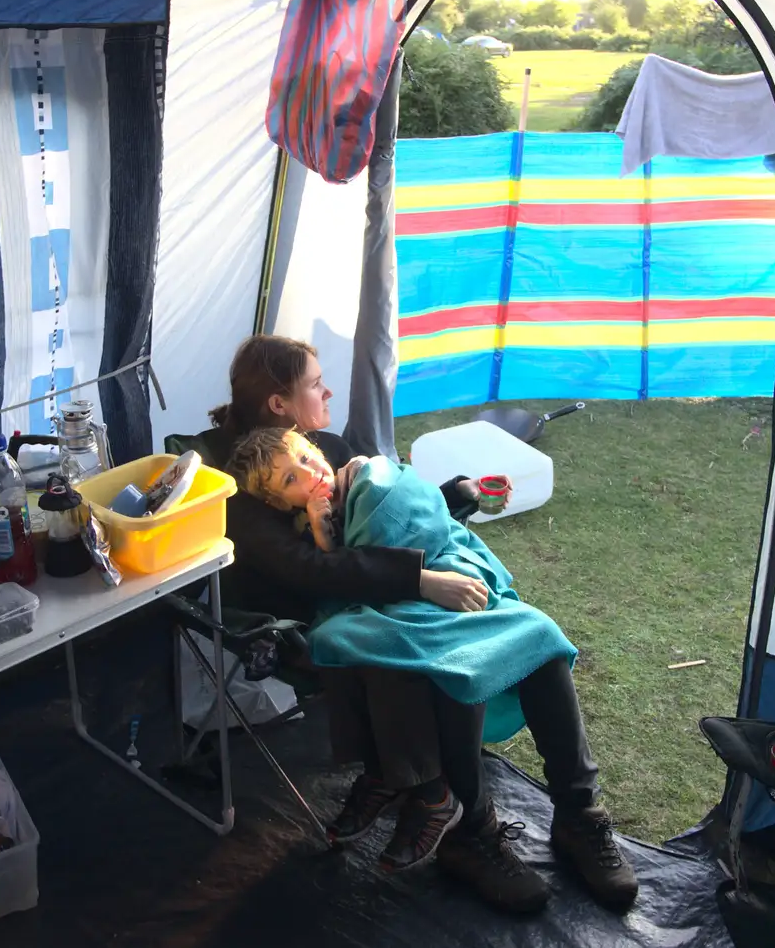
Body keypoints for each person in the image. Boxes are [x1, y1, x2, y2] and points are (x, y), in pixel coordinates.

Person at [202, 335, 637, 914]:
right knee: (450, 661)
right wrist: (422, 582)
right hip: (347, 612)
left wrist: (458, 495)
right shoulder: (245, 483)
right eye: (314, 383)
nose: (327, 389)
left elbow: (388, 509)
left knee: (537, 637)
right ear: (280, 403)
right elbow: (308, 568)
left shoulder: (320, 446)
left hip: (407, 582)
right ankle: (471, 833)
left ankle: (580, 815)